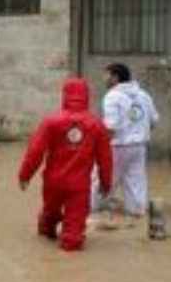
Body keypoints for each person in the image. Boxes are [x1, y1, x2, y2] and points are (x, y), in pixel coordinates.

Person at [18, 78, 113, 252]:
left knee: (49, 214)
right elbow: (105, 159)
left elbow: (35, 151)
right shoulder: (96, 125)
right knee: (73, 237)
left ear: (65, 95)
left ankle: (46, 232)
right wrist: (106, 183)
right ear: (87, 97)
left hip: (53, 181)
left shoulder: (51, 122)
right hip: (79, 185)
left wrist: (24, 176)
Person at [101, 63, 159, 217]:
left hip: (118, 146)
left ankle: (94, 209)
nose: (104, 79)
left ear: (115, 77)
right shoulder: (143, 94)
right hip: (139, 146)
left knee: (103, 178)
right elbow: (154, 120)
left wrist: (99, 148)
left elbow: (110, 126)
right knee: (136, 181)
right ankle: (137, 210)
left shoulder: (112, 96)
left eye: (106, 75)